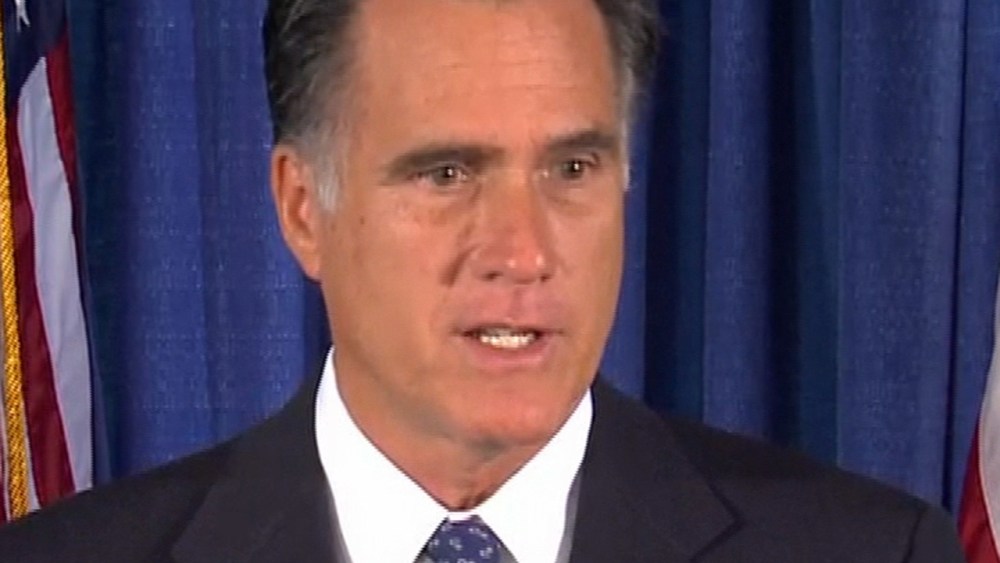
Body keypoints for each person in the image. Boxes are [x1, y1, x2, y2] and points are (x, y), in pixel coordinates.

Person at [0, 0, 966, 561]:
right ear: (302, 208)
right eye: (447, 173)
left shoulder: (873, 552)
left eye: (572, 169)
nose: (523, 249)